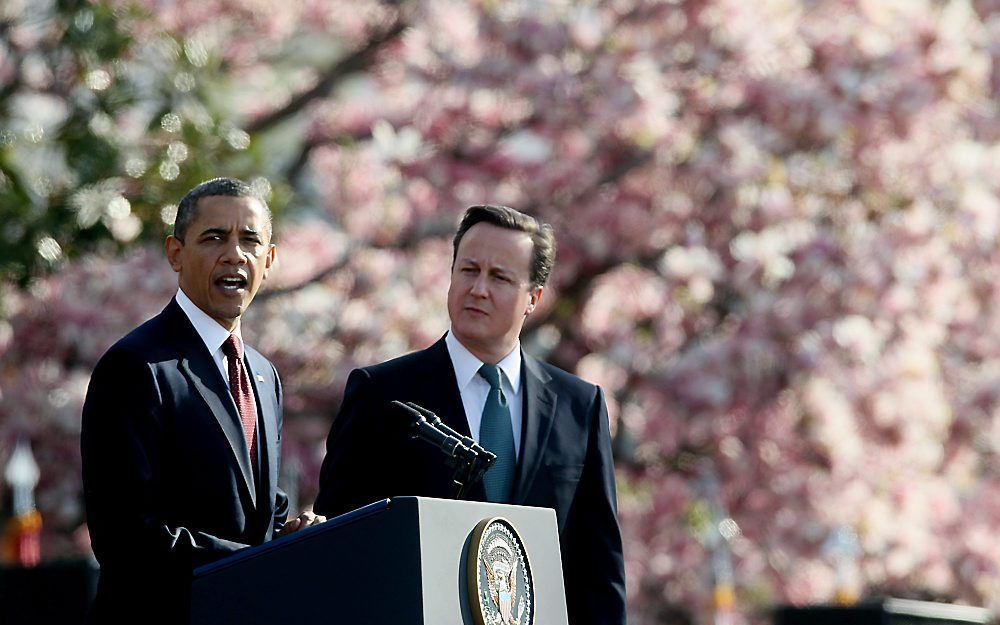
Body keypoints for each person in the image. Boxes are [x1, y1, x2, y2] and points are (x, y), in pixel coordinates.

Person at [314, 204, 626, 625]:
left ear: (533, 298)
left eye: (499, 277)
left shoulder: (578, 406)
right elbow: (338, 541)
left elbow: (598, 564)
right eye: (468, 270)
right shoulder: (382, 393)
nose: (479, 288)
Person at [81, 178, 322, 625]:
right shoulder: (136, 367)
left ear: (269, 261)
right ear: (175, 253)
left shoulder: (265, 376)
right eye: (214, 237)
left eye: (250, 241)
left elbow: (256, 509)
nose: (235, 254)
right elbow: (127, 538)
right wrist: (259, 564)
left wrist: (297, 534)